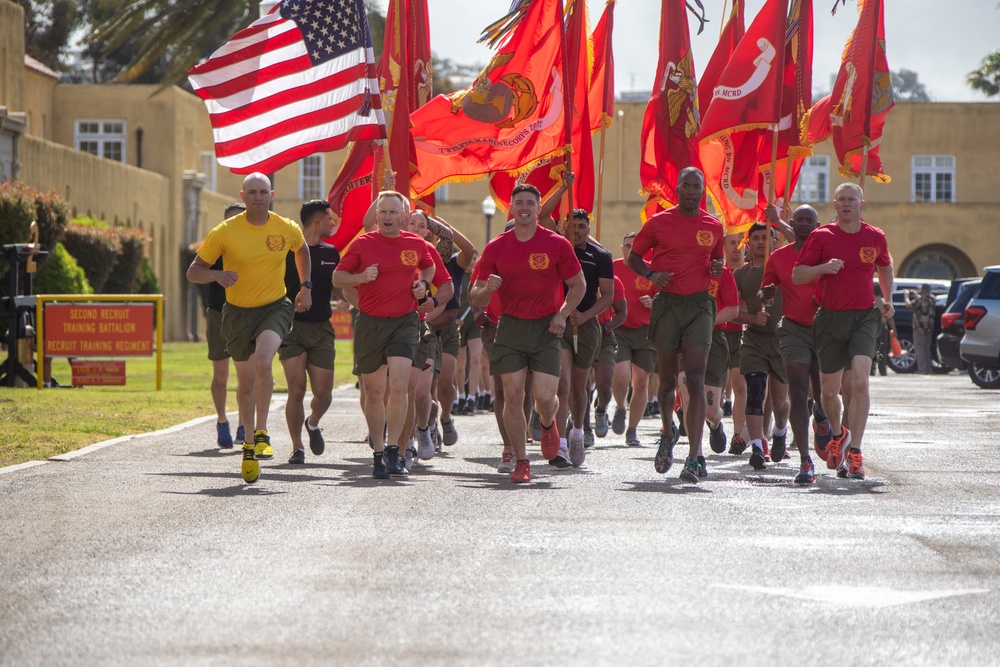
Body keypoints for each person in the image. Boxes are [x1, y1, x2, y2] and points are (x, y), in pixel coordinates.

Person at [187, 173, 312, 484]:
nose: (258, 197)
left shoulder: (285, 227)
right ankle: (246, 449)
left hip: (274, 307)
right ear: (242, 197)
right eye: (252, 192)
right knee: (244, 385)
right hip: (236, 313)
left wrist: (306, 286)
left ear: (272, 195)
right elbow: (194, 271)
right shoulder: (225, 231)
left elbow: (302, 249)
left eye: (263, 192)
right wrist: (217, 276)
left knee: (262, 362)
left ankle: (261, 432)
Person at [470, 184, 585, 483]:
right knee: (512, 395)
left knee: (545, 397)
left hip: (547, 327)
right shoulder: (495, 247)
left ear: (537, 208)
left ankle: (547, 423)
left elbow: (579, 285)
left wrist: (561, 313)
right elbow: (476, 297)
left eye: (530, 203)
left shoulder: (557, 244)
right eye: (518, 202)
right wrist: (487, 290)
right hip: (510, 327)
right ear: (511, 207)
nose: (524, 207)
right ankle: (522, 461)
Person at [626, 167, 725, 484]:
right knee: (667, 382)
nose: (693, 192)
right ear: (678, 189)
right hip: (667, 305)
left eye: (698, 186)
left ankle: (695, 456)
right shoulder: (658, 223)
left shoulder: (714, 225)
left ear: (703, 191)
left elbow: (717, 263)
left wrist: (717, 267)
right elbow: (634, 258)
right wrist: (653, 276)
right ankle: (668, 433)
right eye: (687, 186)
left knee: (695, 379)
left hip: (699, 307)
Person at [792, 182, 894, 481]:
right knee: (828, 391)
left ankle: (856, 452)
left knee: (860, 382)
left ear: (862, 205)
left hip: (864, 317)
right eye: (842, 200)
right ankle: (837, 435)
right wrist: (823, 268)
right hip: (830, 318)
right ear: (834, 205)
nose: (847, 204)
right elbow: (799, 274)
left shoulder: (875, 236)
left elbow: (885, 267)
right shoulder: (821, 236)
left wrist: (887, 299)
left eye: (853, 199)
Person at [334, 190, 435, 479]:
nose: (389, 217)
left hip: (404, 322)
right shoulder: (363, 244)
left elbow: (428, 266)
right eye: (384, 212)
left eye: (394, 212)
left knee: (400, 387)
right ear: (376, 215)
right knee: (375, 391)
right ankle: (378, 451)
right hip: (370, 323)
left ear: (404, 215)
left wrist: (423, 286)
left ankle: (394, 451)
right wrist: (361, 278)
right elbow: (338, 278)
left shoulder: (414, 243)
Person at [761, 204, 831, 485]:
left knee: (825, 392)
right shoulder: (777, 258)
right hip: (793, 330)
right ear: (793, 222)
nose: (803, 224)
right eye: (798, 220)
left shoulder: (827, 255)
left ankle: (823, 416)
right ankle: (805, 459)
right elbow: (767, 289)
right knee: (798, 389)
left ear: (817, 225)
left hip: (826, 329)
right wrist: (766, 293)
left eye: (809, 220)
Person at [551, 209, 615, 468]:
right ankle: (560, 446)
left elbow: (607, 295)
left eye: (581, 226)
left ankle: (577, 432)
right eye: (571, 226)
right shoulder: (557, 251)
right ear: (564, 227)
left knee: (579, 389)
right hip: (558, 324)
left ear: (588, 229)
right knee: (562, 385)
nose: (576, 230)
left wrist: (586, 315)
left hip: (586, 326)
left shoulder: (601, 256)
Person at [280, 199, 340, 464]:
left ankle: (313, 423)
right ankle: (297, 447)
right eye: (329, 218)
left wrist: (347, 296)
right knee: (296, 389)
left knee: (324, 394)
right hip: (292, 328)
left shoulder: (331, 253)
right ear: (317, 221)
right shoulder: (286, 252)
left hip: (321, 329)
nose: (333, 223)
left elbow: (336, 285)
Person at [733, 222, 790, 471]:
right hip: (754, 339)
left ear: (775, 241)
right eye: (755, 238)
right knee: (755, 390)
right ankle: (757, 445)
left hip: (782, 341)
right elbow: (731, 311)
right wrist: (750, 318)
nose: (760, 242)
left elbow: (803, 244)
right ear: (748, 243)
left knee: (779, 401)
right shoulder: (740, 275)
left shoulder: (785, 268)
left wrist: (778, 220)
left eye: (766, 238)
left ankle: (779, 432)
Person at [201, 202, 246, 449]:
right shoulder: (214, 244)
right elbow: (195, 272)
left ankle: (243, 423)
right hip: (219, 311)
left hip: (247, 312)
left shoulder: (255, 244)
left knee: (246, 375)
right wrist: (217, 275)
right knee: (221, 375)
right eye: (230, 220)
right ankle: (222, 421)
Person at [610, 231, 658, 446]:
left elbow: (663, 296)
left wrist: (653, 302)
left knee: (641, 382)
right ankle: (620, 406)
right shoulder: (612, 266)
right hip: (620, 329)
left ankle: (632, 429)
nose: (630, 249)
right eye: (627, 246)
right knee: (620, 374)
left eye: (634, 246)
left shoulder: (650, 269)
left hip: (646, 332)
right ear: (622, 248)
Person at [906, 283, 936, 374]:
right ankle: (928, 369)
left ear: (923, 290)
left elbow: (909, 305)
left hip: (920, 327)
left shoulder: (920, 300)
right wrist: (916, 295)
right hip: (929, 327)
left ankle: (922, 369)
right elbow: (923, 300)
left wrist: (906, 296)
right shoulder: (932, 299)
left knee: (920, 348)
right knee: (927, 349)